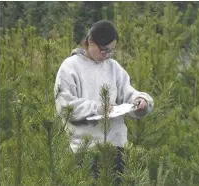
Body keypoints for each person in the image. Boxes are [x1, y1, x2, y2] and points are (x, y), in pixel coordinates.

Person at [54, 20, 154, 184]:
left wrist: (140, 100)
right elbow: (65, 105)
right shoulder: (70, 67)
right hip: (85, 151)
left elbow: (127, 92)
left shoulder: (113, 67)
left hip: (117, 149)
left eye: (112, 51)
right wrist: (98, 108)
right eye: (104, 50)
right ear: (90, 41)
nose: (107, 55)